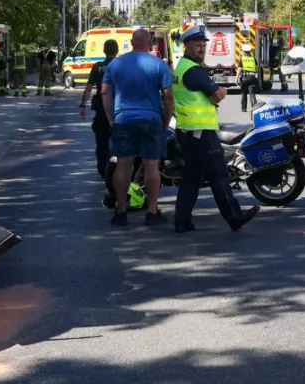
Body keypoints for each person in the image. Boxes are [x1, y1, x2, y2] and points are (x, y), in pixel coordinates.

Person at [172, 24, 260, 234]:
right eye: (197, 45)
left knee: (191, 178)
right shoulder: (193, 71)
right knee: (219, 175)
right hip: (200, 132)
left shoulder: (182, 67)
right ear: (186, 46)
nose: (202, 49)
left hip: (188, 131)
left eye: (203, 45)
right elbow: (217, 94)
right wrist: (218, 90)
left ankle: (182, 220)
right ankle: (234, 217)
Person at [101, 28, 173, 226]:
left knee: (124, 164)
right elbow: (168, 96)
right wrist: (166, 120)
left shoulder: (116, 64)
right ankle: (151, 212)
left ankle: (121, 211)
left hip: (123, 119)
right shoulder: (159, 65)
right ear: (149, 43)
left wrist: (111, 118)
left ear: (132, 42)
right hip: (151, 119)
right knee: (151, 165)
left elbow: (105, 92)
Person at [80, 38, 120, 180]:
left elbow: (89, 87)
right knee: (119, 139)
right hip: (118, 109)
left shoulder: (97, 67)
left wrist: (83, 105)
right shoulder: (120, 66)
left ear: (104, 51)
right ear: (117, 51)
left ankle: (102, 168)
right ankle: (119, 168)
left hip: (101, 109)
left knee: (101, 140)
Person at [239, 42, 261, 112]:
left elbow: (239, 69)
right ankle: (254, 107)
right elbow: (257, 67)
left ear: (244, 51)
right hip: (252, 77)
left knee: (244, 93)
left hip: (245, 77)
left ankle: (243, 108)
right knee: (252, 93)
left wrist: (236, 78)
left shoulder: (242, 58)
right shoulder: (253, 58)